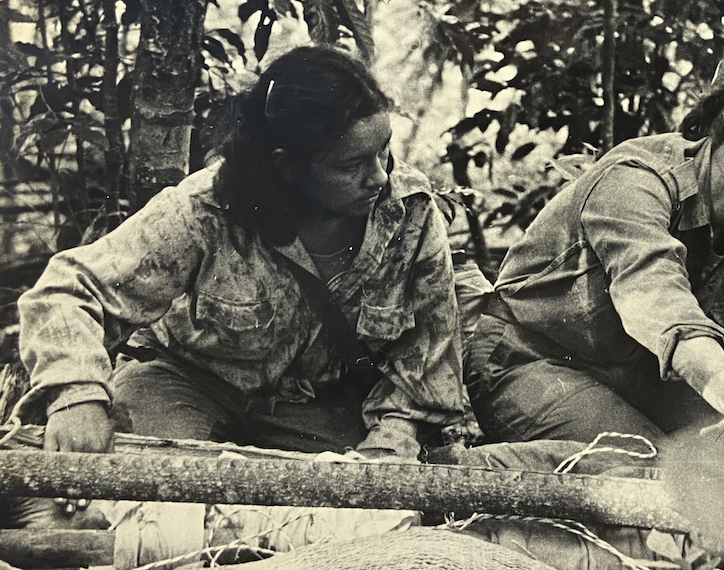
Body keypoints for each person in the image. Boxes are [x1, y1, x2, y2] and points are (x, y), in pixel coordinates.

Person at [17, 45, 476, 463]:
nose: (377, 177)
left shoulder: (410, 214)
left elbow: (426, 352)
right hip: (186, 384)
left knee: (343, 513)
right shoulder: (205, 210)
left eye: (383, 151)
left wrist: (390, 442)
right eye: (351, 165)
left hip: (314, 403)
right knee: (161, 495)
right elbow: (68, 288)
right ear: (287, 165)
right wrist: (76, 393)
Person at [466, 62, 724, 446]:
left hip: (640, 374)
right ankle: (447, 471)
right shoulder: (637, 181)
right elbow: (662, 307)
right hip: (529, 359)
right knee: (649, 472)